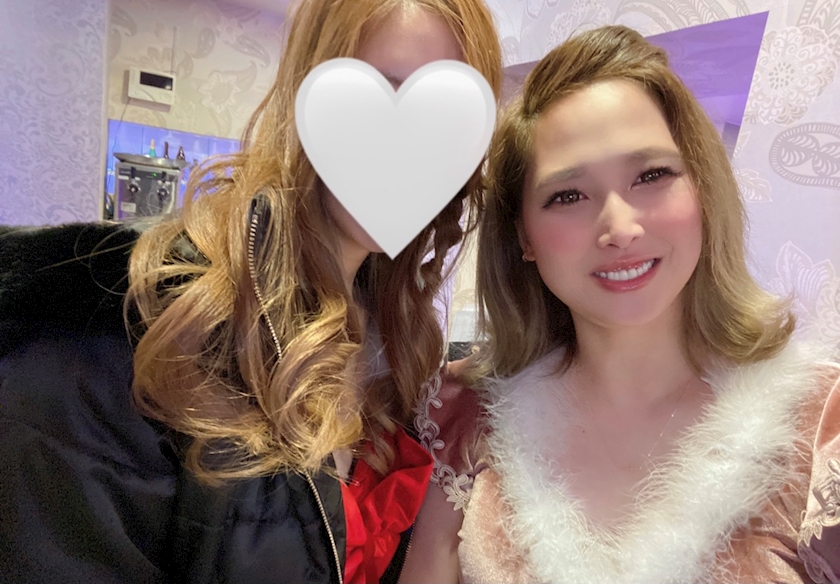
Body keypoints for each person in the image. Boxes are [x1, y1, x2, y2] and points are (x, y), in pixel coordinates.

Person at [0, 1, 501, 583]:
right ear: (306, 96)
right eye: (377, 99)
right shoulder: (134, 327)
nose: (405, 152)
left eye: (443, 123)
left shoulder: (396, 340)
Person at [401, 25, 840, 584]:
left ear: (702, 190)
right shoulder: (463, 416)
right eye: (568, 195)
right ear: (524, 235)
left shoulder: (822, 426)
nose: (621, 228)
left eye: (652, 175)